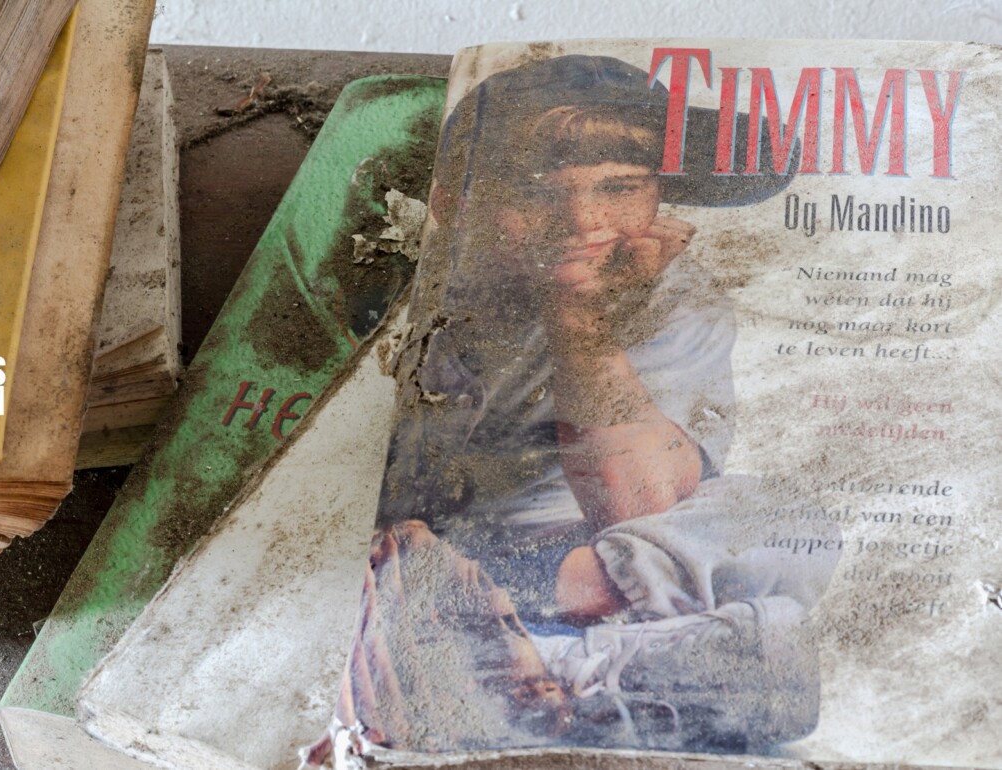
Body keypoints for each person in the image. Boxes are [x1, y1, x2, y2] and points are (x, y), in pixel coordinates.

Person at [325, 54, 841, 760]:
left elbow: (643, 510)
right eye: (537, 193)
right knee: (762, 646)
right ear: (456, 205)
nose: (582, 221)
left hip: (563, 561)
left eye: (619, 187)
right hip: (406, 543)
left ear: (656, 194)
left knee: (784, 522)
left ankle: (502, 635)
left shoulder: (675, 293)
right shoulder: (402, 272)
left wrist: (582, 325)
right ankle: (579, 669)